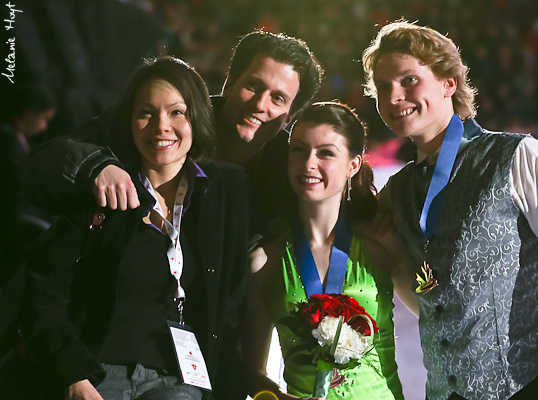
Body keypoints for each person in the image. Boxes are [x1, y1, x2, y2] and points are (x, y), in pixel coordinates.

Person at [362, 20, 538, 400]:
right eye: (383, 87)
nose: (394, 96)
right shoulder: (398, 191)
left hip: (527, 387)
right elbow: (433, 303)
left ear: (448, 83)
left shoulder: (519, 157)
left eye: (408, 80)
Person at [20, 56, 248, 400]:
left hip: (176, 379)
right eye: (146, 113)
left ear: (196, 117)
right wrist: (74, 376)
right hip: (96, 373)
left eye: (176, 112)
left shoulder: (222, 192)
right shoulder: (102, 191)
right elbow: (43, 291)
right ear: (129, 121)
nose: (161, 126)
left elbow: (232, 300)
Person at [21, 30, 323, 247]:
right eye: (253, 86)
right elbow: (43, 165)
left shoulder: (292, 170)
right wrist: (95, 166)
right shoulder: (166, 119)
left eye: (278, 99)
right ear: (229, 82)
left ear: (290, 116)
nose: (260, 104)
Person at [244, 102, 406, 400]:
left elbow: (435, 308)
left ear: (352, 165)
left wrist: (397, 246)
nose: (308, 163)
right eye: (299, 150)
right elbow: (251, 373)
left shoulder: (379, 244)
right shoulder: (265, 261)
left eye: (326, 153)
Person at [0, 83, 56, 288]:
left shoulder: (19, 139)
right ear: (29, 112)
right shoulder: (6, 139)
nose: (43, 127)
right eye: (43, 119)